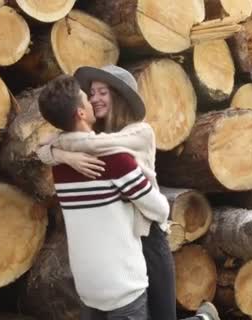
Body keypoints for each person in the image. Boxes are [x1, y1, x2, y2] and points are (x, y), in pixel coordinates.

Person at [37, 66, 220, 320]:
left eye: (102, 92)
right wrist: (62, 153)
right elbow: (50, 146)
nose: (94, 98)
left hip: (147, 235)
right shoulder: (92, 139)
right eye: (91, 93)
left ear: (120, 96)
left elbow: (92, 147)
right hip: (119, 243)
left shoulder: (138, 134)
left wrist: (61, 150)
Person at [38, 75, 168, 319]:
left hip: (88, 286)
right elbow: (161, 210)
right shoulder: (117, 161)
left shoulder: (60, 165)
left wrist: (59, 152)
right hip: (123, 285)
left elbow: (47, 147)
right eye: (88, 97)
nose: (92, 100)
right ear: (81, 113)